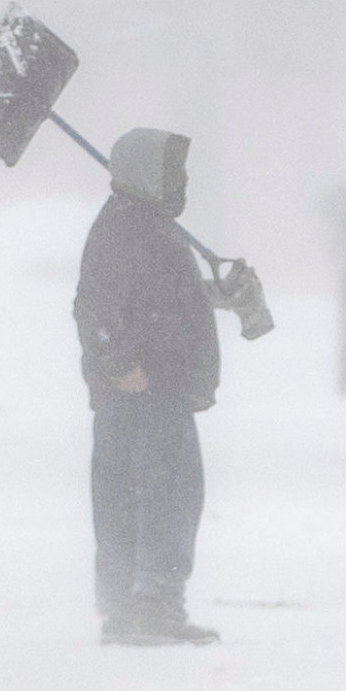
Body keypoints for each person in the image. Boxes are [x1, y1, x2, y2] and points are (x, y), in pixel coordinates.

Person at [73, 127, 222, 646]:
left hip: (154, 388)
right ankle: (152, 609)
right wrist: (118, 362)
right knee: (164, 497)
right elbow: (95, 305)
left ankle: (126, 609)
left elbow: (162, 296)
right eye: (172, 170)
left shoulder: (143, 225)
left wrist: (216, 292)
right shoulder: (127, 229)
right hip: (146, 390)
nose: (181, 180)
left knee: (132, 497)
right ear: (145, 173)